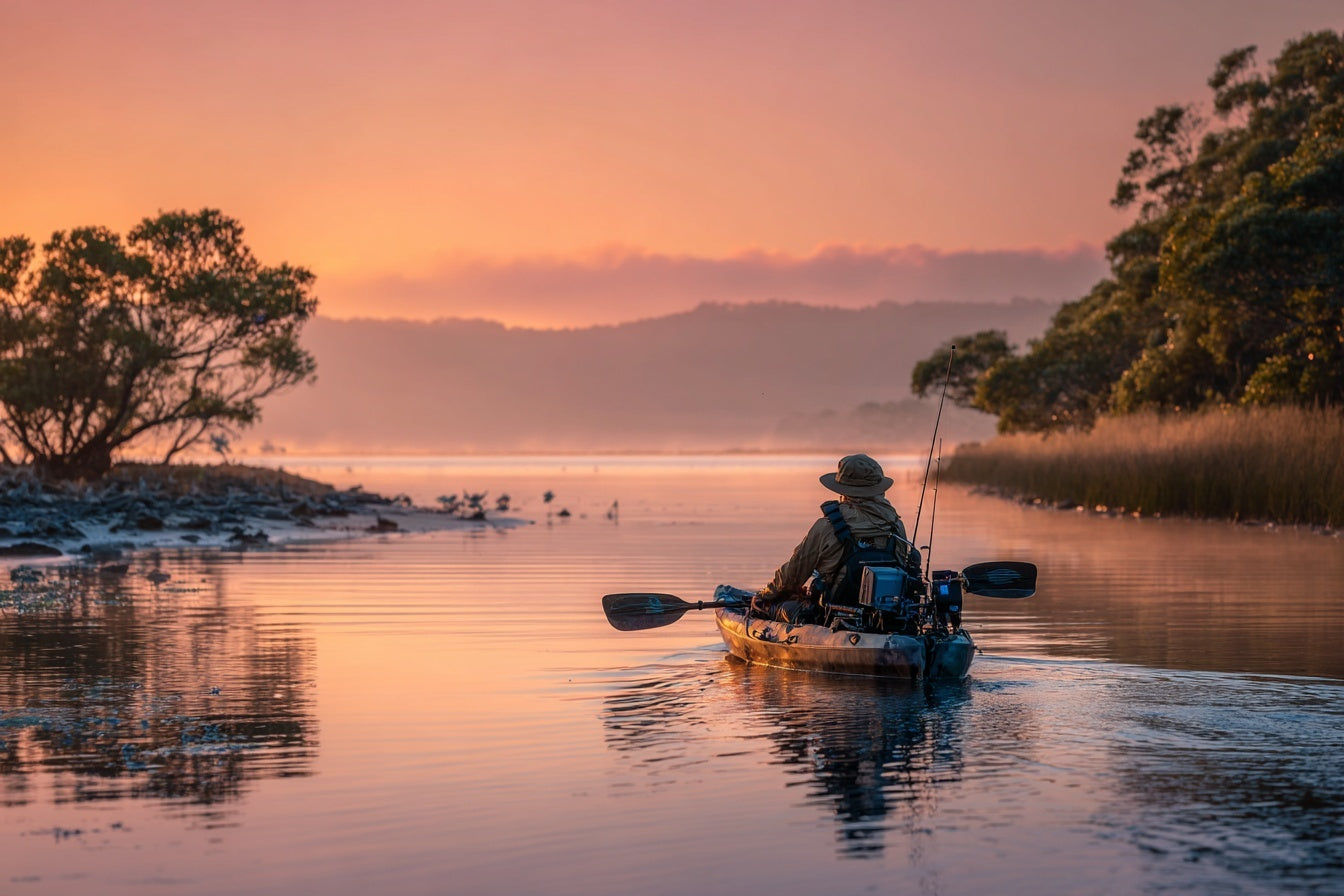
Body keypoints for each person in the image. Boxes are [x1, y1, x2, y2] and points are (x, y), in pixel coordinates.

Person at [752, 454, 911, 624]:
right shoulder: (896, 525)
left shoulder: (826, 526)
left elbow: (793, 575)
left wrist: (764, 596)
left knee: (773, 606)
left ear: (843, 490)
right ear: (878, 489)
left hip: (829, 617)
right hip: (886, 617)